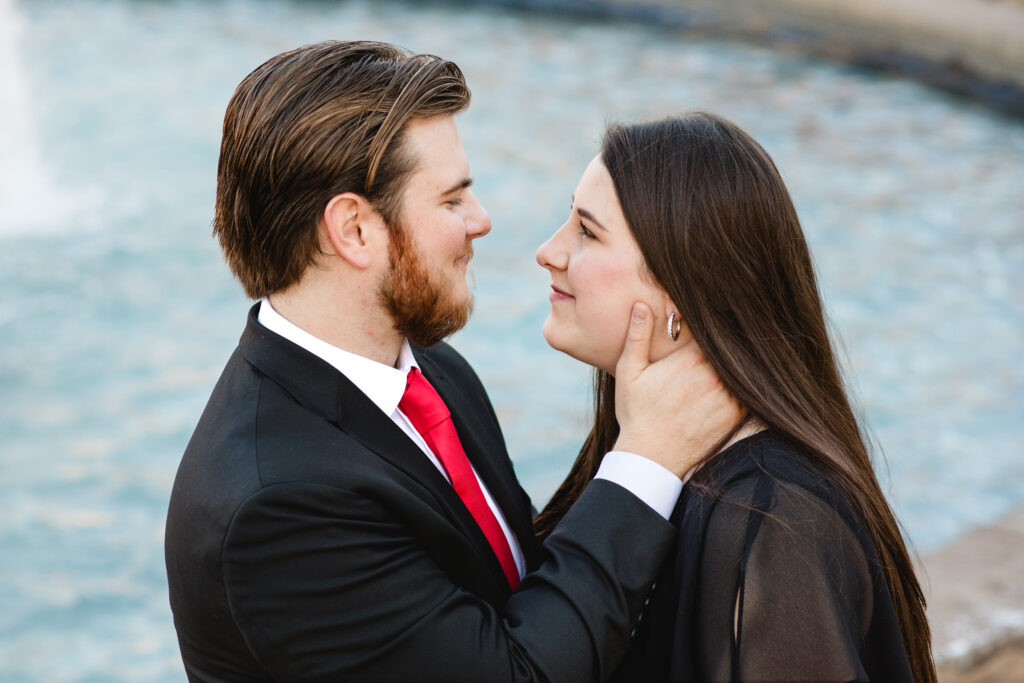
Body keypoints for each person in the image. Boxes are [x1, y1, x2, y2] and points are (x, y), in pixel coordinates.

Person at [164, 42, 740, 682]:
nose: (481, 220)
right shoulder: (279, 508)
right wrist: (648, 457)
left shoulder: (435, 374)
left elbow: (521, 589)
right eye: (452, 199)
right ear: (354, 230)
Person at [534, 112, 938, 683]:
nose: (548, 251)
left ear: (682, 288)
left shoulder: (777, 521)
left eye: (587, 231)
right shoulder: (652, 460)